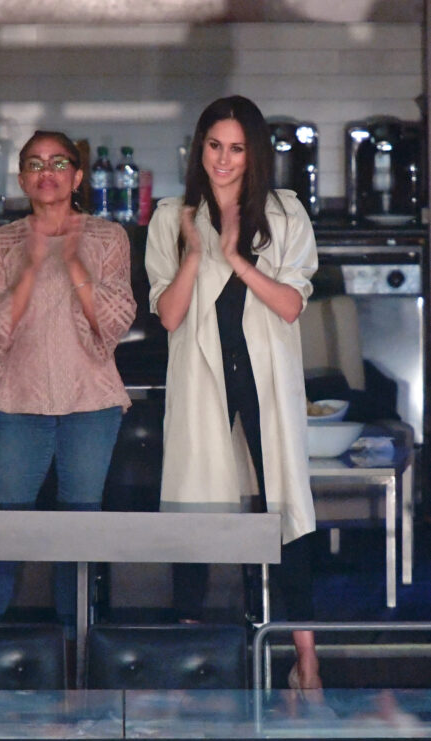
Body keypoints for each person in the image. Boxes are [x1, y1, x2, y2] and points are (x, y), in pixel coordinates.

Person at [145, 96, 321, 690]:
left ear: (254, 155)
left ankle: (305, 658)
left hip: (265, 377)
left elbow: (292, 305)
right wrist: (197, 254)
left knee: (284, 510)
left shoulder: (285, 214)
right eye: (214, 146)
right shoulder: (173, 216)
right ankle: (189, 651)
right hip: (202, 376)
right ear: (200, 148)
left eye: (236, 148)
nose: (223, 159)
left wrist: (237, 259)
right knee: (194, 507)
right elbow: (168, 316)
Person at [0, 130, 136, 642]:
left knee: (76, 535)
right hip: (20, 402)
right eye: (36, 164)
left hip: (92, 403)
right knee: (5, 532)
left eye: (59, 162)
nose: (48, 172)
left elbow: (113, 324)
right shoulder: (2, 241)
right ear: (22, 178)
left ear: (78, 176)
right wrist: (32, 268)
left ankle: (76, 652)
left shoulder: (109, 238)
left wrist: (72, 263)